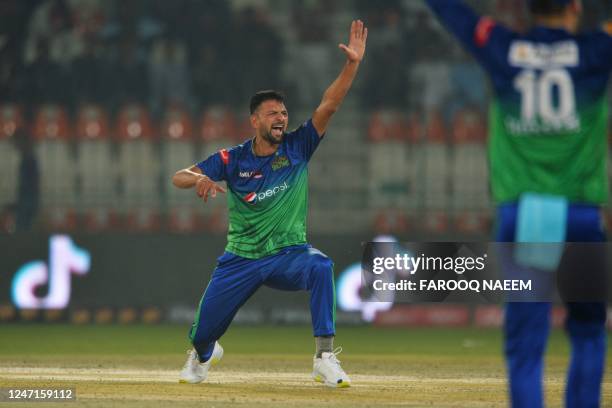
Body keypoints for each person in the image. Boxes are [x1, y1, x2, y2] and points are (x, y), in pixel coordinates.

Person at [424, 0, 610, 406]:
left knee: (527, 343)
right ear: (575, 8)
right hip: (580, 213)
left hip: (529, 215)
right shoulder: (599, 49)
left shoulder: (503, 48)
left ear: (525, 11)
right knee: (590, 332)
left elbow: (455, 15)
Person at [172, 20, 367, 388]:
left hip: (287, 255)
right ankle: (204, 353)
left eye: (283, 112)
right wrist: (199, 178)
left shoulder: (298, 147)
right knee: (200, 336)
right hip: (241, 259)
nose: (281, 118)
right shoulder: (232, 159)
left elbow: (330, 104)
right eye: (273, 113)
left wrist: (352, 64)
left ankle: (324, 358)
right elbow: (177, 176)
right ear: (255, 120)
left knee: (321, 267)